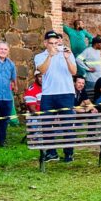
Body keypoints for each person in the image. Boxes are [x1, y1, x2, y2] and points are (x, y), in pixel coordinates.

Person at [34, 30, 78, 163]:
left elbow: (74, 72)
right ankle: (52, 153)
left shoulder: (67, 53)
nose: (54, 45)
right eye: (51, 43)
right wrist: (50, 56)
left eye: (56, 42)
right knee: (46, 124)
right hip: (48, 94)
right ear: (45, 43)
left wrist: (66, 58)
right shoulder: (40, 56)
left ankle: (69, 153)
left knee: (67, 124)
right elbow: (41, 71)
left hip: (66, 93)